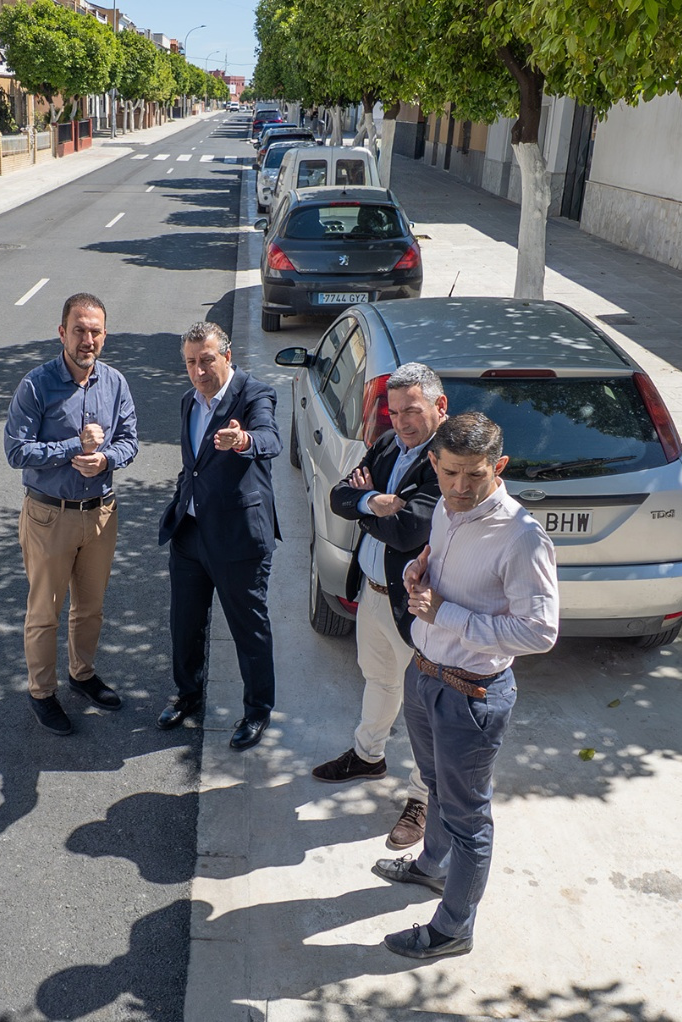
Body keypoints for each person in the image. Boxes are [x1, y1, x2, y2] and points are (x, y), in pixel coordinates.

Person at [370, 411, 557, 962]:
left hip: (472, 695)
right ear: (434, 462)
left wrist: (445, 615)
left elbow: (540, 631)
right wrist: (418, 574)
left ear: (499, 466)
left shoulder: (522, 538)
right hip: (425, 674)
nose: (460, 487)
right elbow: (441, 574)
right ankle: (432, 866)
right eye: (450, 472)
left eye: (475, 474)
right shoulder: (446, 510)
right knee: (433, 786)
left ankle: (453, 929)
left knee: (468, 819)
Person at [312, 363, 447, 851]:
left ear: (439, 406)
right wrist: (375, 501)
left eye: (412, 410)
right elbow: (339, 497)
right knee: (378, 679)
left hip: (417, 607)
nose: (402, 421)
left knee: (426, 706)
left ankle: (424, 798)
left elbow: (409, 530)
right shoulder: (389, 443)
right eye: (395, 412)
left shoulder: (446, 460)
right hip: (372, 593)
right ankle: (368, 756)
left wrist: (365, 505)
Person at [4, 293, 139, 736]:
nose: (87, 340)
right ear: (62, 332)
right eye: (79, 330)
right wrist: (72, 448)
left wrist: (105, 460)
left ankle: (82, 675)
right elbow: (16, 451)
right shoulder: (36, 385)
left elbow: (130, 441)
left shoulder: (115, 383)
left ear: (105, 335)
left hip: (100, 514)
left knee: (90, 608)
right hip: (49, 516)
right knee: (45, 612)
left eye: (95, 331)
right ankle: (42, 693)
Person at [156, 322, 282, 751]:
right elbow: (192, 466)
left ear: (227, 355)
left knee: (249, 629)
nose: (199, 371)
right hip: (190, 533)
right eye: (191, 362)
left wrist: (243, 439)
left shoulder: (255, 394)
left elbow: (269, 438)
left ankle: (257, 710)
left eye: (207, 360)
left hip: (238, 539)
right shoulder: (188, 401)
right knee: (184, 624)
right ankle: (187, 694)